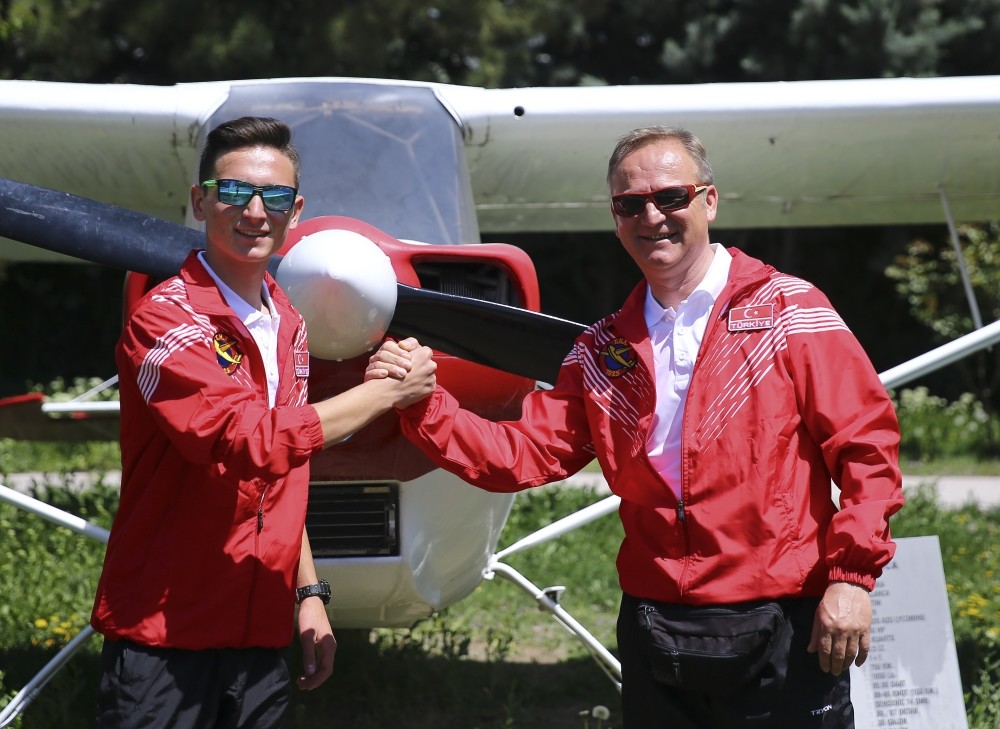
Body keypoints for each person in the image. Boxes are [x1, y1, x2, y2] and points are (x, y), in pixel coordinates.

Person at [367, 125, 904, 728]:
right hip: (656, 624)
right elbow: (519, 455)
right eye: (630, 204)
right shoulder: (601, 350)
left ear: (710, 200)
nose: (653, 216)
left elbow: (867, 449)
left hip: (783, 618)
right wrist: (421, 403)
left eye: (671, 197)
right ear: (615, 218)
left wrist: (852, 577)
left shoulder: (791, 310)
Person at [91, 116, 436, 729]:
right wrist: (387, 391)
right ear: (200, 201)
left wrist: (307, 594)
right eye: (233, 192)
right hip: (164, 633)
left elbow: (284, 475)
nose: (254, 211)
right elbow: (247, 441)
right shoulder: (164, 321)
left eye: (274, 196)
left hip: (259, 634)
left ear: (295, 211)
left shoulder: (290, 323)